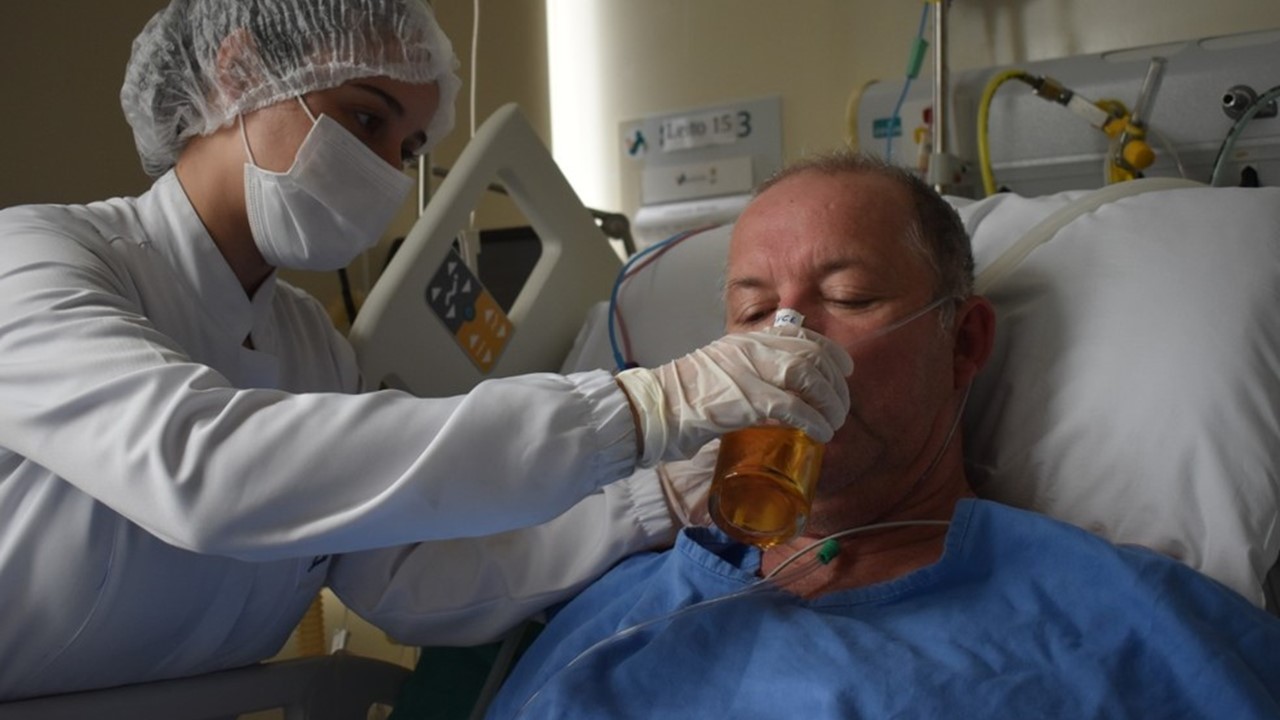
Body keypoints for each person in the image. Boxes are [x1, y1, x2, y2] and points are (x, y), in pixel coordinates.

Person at [0, 0, 855, 702]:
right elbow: (203, 470)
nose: (386, 169)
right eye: (366, 117)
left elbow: (412, 579)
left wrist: (660, 498)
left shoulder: (309, 344)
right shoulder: (35, 261)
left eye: (407, 148)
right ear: (238, 72)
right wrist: (649, 406)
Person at [484, 151, 1280, 719]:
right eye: (756, 314)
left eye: (850, 296)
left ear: (964, 343)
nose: (785, 350)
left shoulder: (1132, 624)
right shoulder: (624, 605)